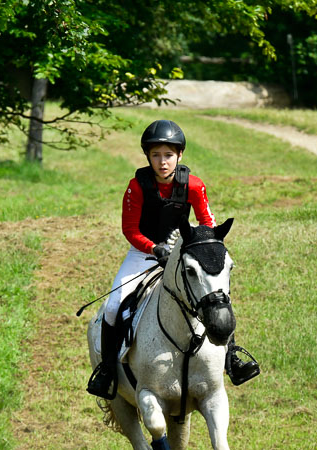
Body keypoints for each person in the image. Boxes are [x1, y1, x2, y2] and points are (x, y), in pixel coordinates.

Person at [87, 119, 260, 400]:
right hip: (144, 253)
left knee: (215, 296)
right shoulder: (137, 186)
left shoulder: (193, 185)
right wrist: (154, 248)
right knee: (113, 306)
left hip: (182, 252)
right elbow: (130, 229)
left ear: (179, 155)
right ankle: (107, 370)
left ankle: (232, 358)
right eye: (155, 155)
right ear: (148, 157)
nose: (162, 162)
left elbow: (207, 221)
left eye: (168, 155)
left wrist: (205, 247)